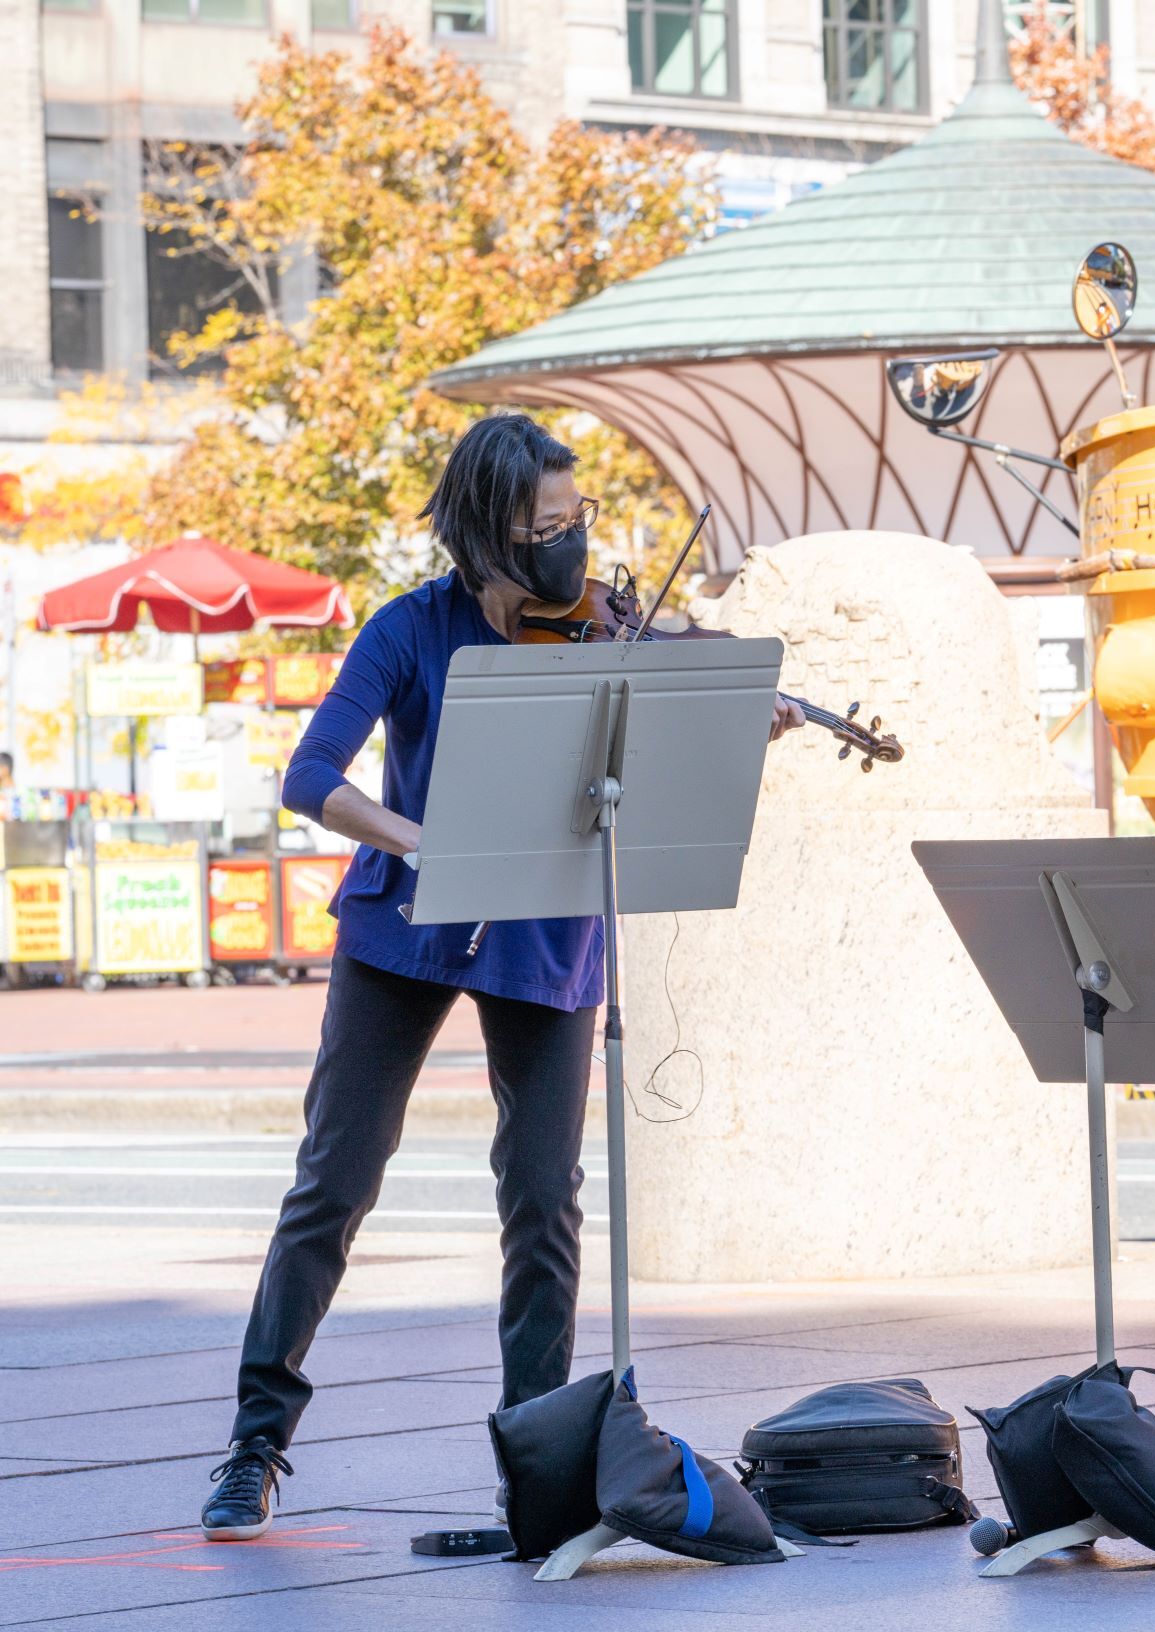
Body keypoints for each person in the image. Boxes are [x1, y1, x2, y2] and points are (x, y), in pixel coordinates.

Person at [200, 416, 802, 1540]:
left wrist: (735, 721)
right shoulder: (408, 630)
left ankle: (538, 1467)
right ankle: (255, 1442)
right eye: (543, 529)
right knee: (333, 1183)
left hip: (545, 933)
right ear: (484, 533)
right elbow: (311, 777)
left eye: (575, 525)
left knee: (542, 1203)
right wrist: (422, 839)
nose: (568, 550)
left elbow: (658, 761)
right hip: (406, 927)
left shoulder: (603, 632)